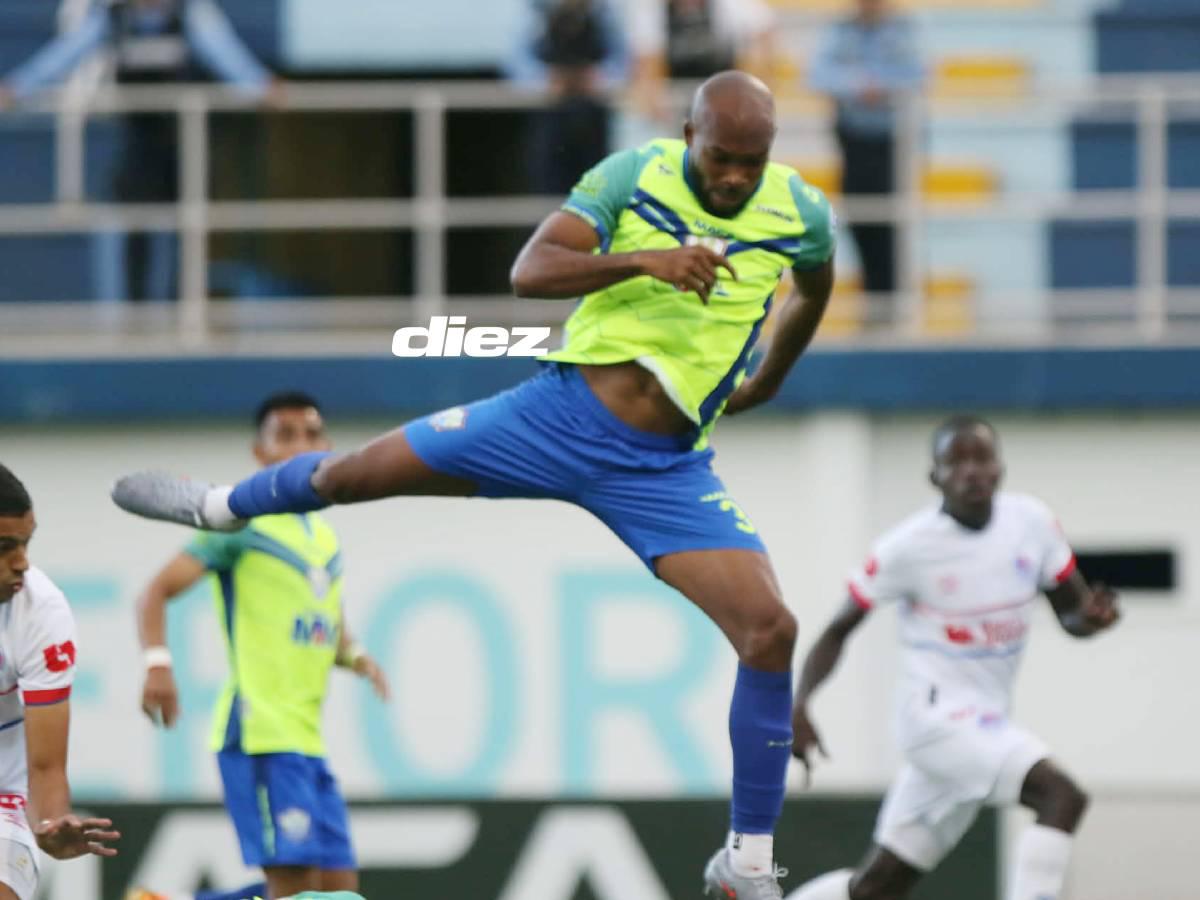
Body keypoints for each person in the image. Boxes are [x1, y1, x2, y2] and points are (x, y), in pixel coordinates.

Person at [111, 70, 837, 900]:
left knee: (770, 629)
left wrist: (772, 374)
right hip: (555, 416)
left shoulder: (802, 213)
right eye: (721, 158)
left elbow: (813, 288)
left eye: (753, 160)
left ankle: (746, 863)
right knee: (355, 474)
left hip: (662, 469)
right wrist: (650, 261)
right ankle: (217, 504)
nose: (737, 177)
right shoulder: (634, 175)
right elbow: (530, 271)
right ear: (686, 135)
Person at [785, 416, 1120, 900]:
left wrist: (1093, 620)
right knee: (1061, 795)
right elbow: (838, 629)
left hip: (982, 727)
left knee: (877, 887)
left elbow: (1072, 615)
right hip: (934, 719)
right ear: (935, 477)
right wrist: (799, 705)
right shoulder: (909, 547)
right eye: (956, 461)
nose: (971, 471)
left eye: (981, 458)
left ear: (1000, 468)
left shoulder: (1033, 524)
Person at [123, 393, 388, 900]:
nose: (300, 445)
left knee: (339, 893)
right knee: (292, 890)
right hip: (261, 735)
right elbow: (155, 591)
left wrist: (355, 656)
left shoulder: (325, 538)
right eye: (284, 435)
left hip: (308, 742)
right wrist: (157, 664)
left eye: (311, 434)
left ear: (328, 446)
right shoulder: (241, 526)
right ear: (259, 452)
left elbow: (326, 625)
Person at [0, 0, 280, 303]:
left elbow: (223, 53)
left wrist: (259, 86)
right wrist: (18, 88)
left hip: (184, 140)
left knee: (189, 228)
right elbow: (64, 56)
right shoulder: (112, 18)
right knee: (136, 226)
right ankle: (137, 313)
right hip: (140, 141)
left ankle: (184, 311)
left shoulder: (190, 13)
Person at [0, 463, 120, 900]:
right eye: (4, 547)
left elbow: (46, 767)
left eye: (26, 543)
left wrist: (51, 822)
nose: (22, 562)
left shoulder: (40, 612)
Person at [809, 0, 924, 307]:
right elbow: (818, 74)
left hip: (893, 145)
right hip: (853, 144)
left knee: (893, 228)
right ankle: (874, 304)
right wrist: (857, 86)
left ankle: (893, 307)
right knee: (861, 222)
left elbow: (918, 74)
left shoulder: (903, 30)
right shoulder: (840, 30)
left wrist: (879, 86)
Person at [505, 0, 629, 194]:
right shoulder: (535, 12)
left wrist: (596, 79)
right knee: (548, 192)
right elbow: (515, 66)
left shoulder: (603, 12)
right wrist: (548, 81)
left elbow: (622, 63)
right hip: (549, 121)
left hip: (592, 120)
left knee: (595, 193)